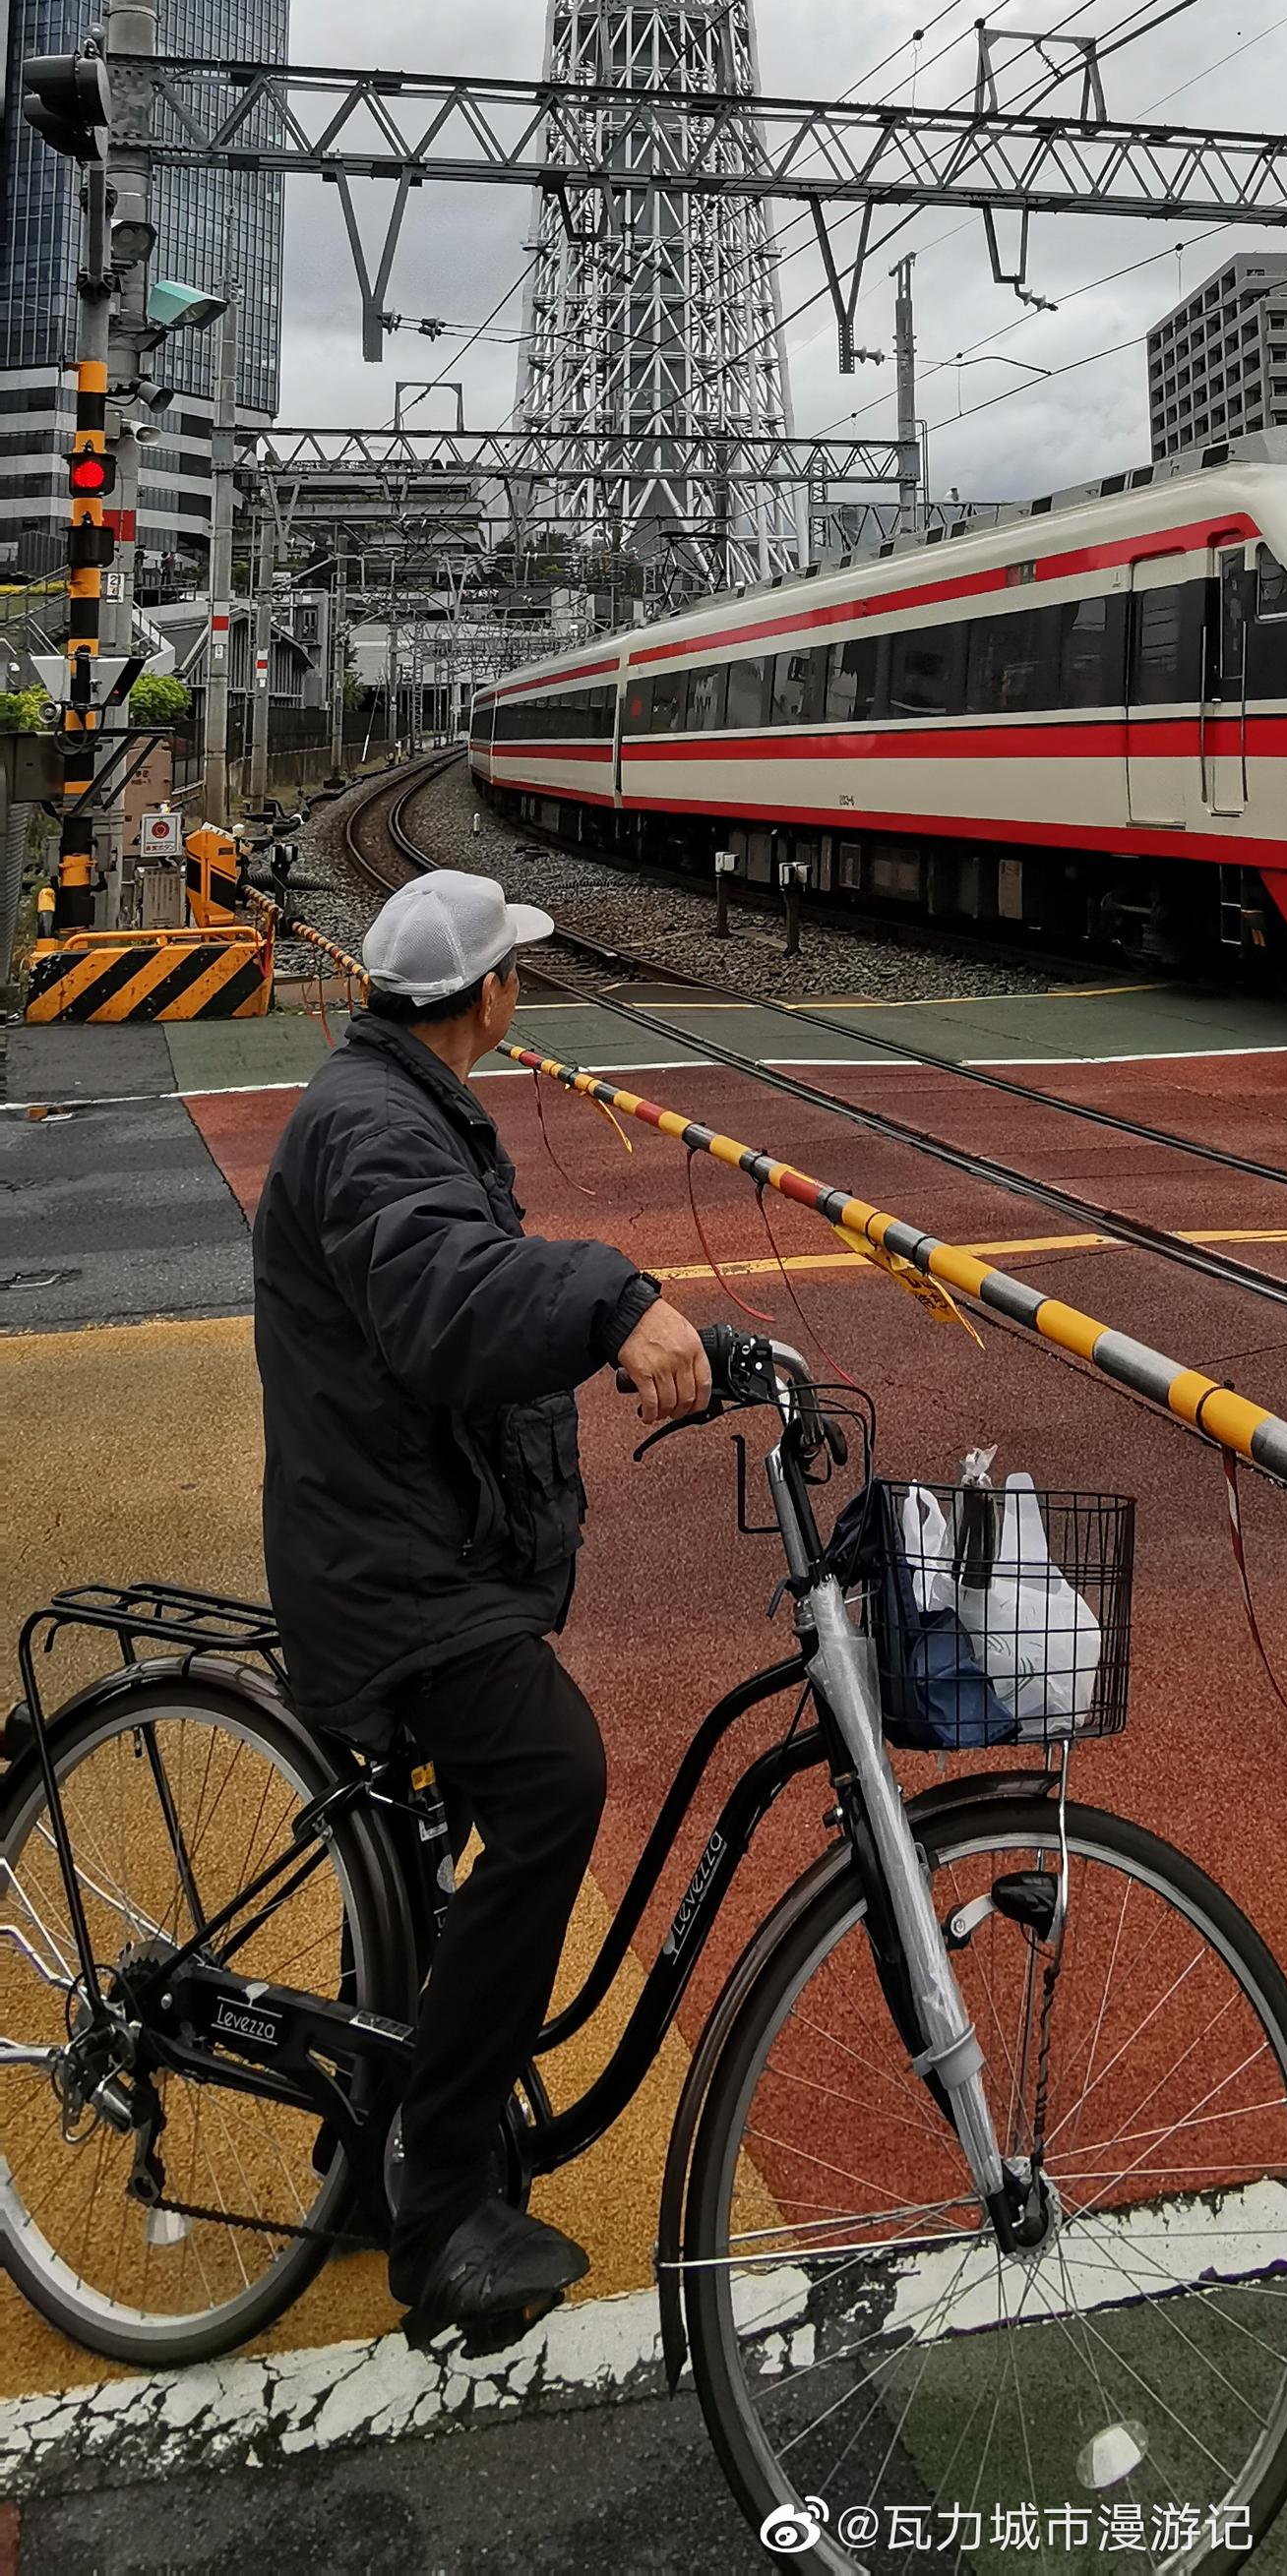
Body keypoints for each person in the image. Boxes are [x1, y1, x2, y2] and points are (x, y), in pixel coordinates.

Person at [250, 867, 710, 2349]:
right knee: (551, 1775)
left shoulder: (383, 1100)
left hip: (385, 1538)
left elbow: (460, 1278)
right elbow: (450, 1294)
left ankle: (367, 2144)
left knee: (415, 1847)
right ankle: (445, 2197)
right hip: (387, 1568)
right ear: (488, 996)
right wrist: (608, 1302)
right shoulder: (377, 1128)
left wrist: (666, 1329)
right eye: (518, 972)